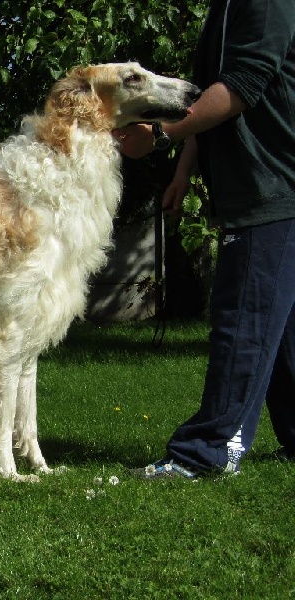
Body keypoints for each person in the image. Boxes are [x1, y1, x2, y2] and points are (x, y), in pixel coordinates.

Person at [115, 0, 295, 478]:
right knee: (281, 329)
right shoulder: (227, 7)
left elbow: (240, 89)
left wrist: (158, 134)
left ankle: (207, 453)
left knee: (246, 320)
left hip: (272, 186)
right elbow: (209, 98)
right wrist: (183, 170)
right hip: (261, 187)